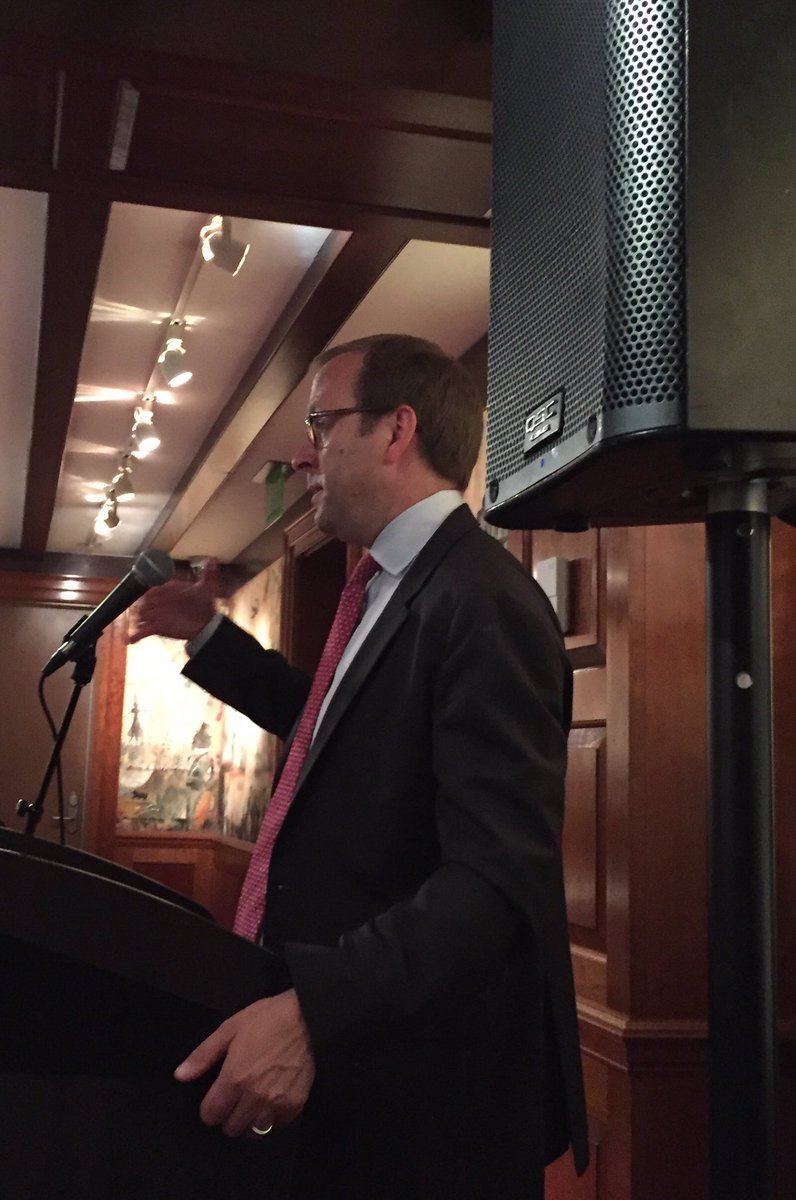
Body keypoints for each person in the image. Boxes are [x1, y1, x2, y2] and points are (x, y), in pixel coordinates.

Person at [129, 334, 588, 1199]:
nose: (303, 453)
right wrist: (208, 635)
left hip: (424, 1104)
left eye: (320, 422)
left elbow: (498, 878)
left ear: (395, 430)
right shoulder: (389, 586)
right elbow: (333, 732)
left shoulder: (483, 599)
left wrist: (315, 1007)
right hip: (367, 1077)